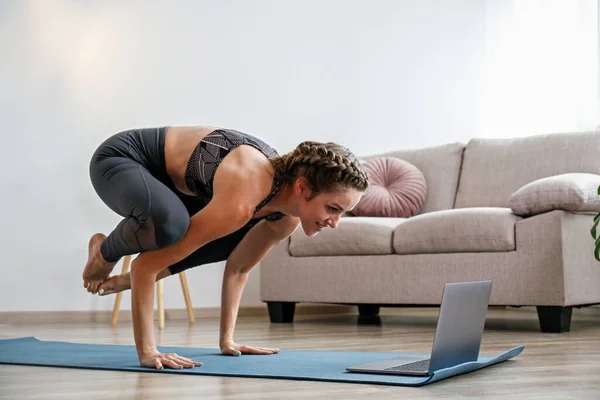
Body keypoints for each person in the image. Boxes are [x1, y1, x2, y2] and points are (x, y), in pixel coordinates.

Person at [83, 126, 369, 370]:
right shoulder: (245, 196)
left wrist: (227, 341)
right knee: (171, 223)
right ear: (303, 188)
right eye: (333, 208)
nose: (335, 222)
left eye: (343, 213)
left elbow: (239, 268)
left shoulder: (283, 220)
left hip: (171, 187)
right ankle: (105, 251)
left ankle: (121, 276)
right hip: (121, 159)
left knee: (230, 238)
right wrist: (149, 353)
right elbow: (145, 264)